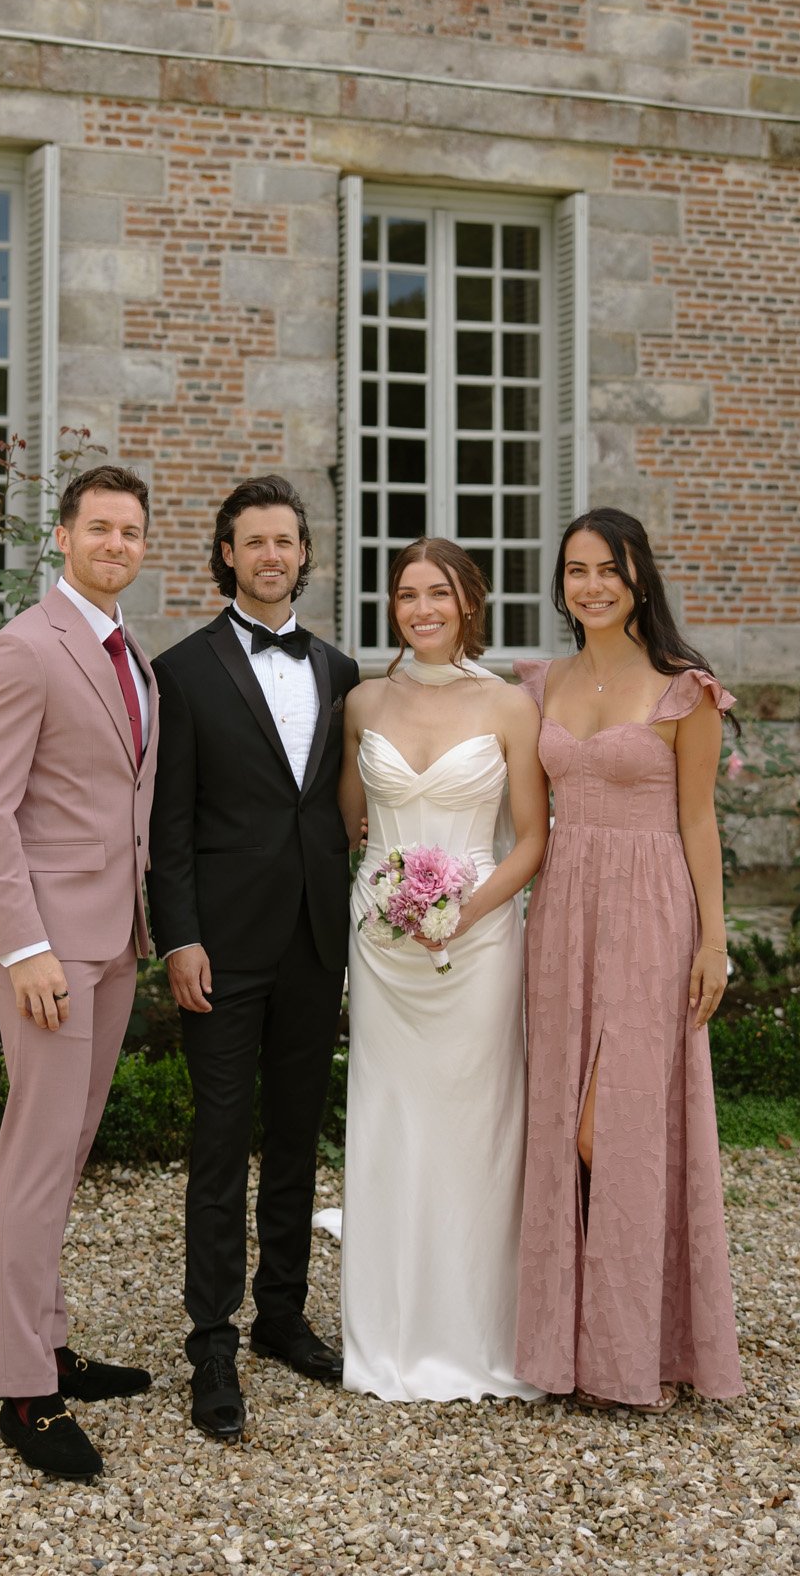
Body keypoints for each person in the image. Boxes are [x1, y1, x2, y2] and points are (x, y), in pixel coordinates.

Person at [0, 464, 161, 1482]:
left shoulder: (130, 654)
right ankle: (26, 1394)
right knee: (37, 1159)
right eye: (100, 528)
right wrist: (26, 944)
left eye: (131, 530)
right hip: (46, 948)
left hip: (112, 937)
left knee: (67, 1151)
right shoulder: (23, 651)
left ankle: (41, 1337)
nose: (116, 543)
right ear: (64, 538)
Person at [514, 507, 743, 1412]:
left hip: (653, 913)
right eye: (575, 571)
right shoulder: (539, 685)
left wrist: (714, 940)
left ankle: (631, 1347)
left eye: (607, 569)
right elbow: (521, 817)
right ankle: (572, 1347)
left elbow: (697, 820)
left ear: (638, 577)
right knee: (560, 1119)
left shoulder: (684, 689)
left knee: (615, 1127)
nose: (591, 585)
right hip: (563, 911)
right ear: (561, 585)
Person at [147, 476, 359, 1441]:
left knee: (295, 1136)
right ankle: (211, 1342)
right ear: (226, 555)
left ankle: (281, 1315)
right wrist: (179, 936)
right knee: (220, 1144)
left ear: (304, 555)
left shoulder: (343, 671)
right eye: (254, 543)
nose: (272, 556)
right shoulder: (179, 672)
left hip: (317, 941)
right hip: (221, 951)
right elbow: (169, 825)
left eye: (286, 541)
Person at [337, 539, 549, 1402]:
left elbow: (532, 838)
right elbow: (352, 824)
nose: (420, 609)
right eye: (404, 595)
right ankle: (385, 1334)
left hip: (480, 940)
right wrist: (386, 899)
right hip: (383, 949)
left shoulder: (510, 706)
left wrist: (460, 908)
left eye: (437, 594)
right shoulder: (361, 701)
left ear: (469, 602)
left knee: (479, 1129)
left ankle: (480, 1332)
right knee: (390, 1123)